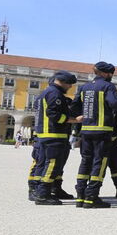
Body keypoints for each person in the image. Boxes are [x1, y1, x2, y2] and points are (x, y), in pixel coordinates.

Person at [72, 62, 117, 208]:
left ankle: (80, 195)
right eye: (111, 74)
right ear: (105, 73)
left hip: (86, 131)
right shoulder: (108, 86)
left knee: (85, 162)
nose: (111, 76)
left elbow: (74, 107)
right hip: (102, 132)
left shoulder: (84, 87)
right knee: (99, 162)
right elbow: (115, 104)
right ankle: (91, 197)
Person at [31, 71, 81, 204]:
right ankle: (43, 194)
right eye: (69, 84)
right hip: (53, 134)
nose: (70, 87)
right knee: (52, 164)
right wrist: (74, 120)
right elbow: (54, 114)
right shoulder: (55, 94)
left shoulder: (45, 92)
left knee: (45, 163)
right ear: (63, 82)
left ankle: (41, 190)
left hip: (44, 134)